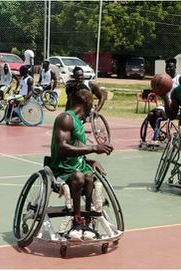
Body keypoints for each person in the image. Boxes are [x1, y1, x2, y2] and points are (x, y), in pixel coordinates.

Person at [50, 81, 113, 240]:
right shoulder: (65, 118)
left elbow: (77, 149)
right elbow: (62, 148)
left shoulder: (78, 122)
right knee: (79, 176)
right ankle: (76, 220)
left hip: (76, 168)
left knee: (89, 176)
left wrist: (90, 161)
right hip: (60, 171)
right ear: (87, 103)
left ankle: (88, 221)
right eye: (92, 104)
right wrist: (94, 148)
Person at [147, 58, 181, 131]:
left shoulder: (179, 79)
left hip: (176, 107)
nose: (168, 69)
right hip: (165, 105)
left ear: (175, 67)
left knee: (157, 113)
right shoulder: (162, 79)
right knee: (151, 114)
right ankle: (158, 133)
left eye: (170, 67)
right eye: (166, 67)